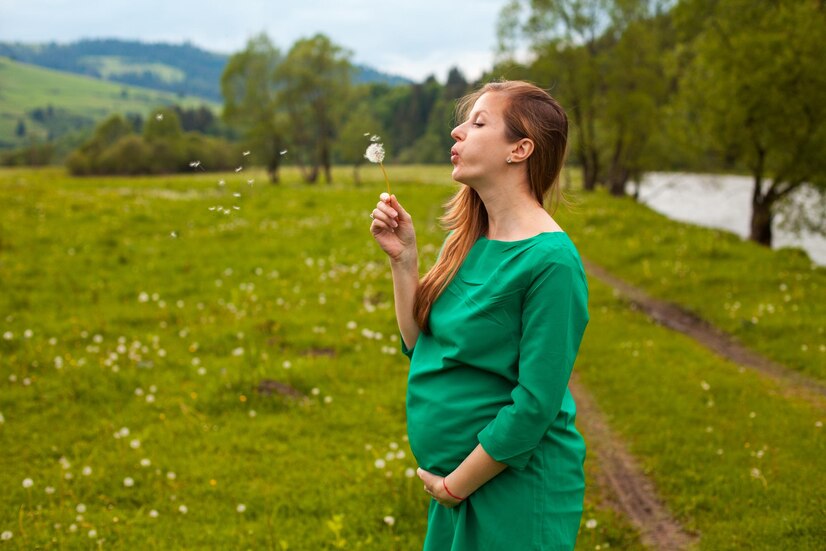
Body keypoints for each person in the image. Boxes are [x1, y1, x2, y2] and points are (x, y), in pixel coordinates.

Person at [369, 80, 590, 550]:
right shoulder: (468, 241)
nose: (457, 132)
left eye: (478, 122)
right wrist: (403, 260)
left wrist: (457, 484)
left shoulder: (551, 262)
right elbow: (420, 344)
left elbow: (535, 404)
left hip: (514, 490)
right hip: (456, 489)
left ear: (520, 149)